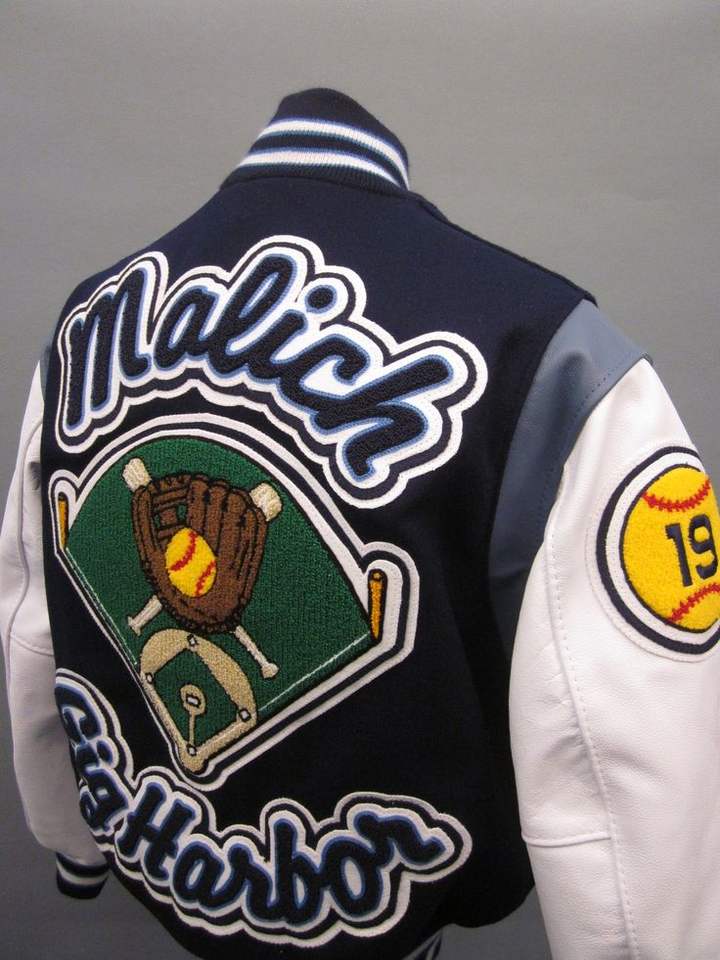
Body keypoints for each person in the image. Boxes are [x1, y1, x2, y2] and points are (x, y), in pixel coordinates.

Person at [1, 87, 718, 960]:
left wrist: (72, 835)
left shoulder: (81, 324)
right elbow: (625, 752)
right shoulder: (548, 347)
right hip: (374, 890)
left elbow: (33, 619)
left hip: (175, 855)